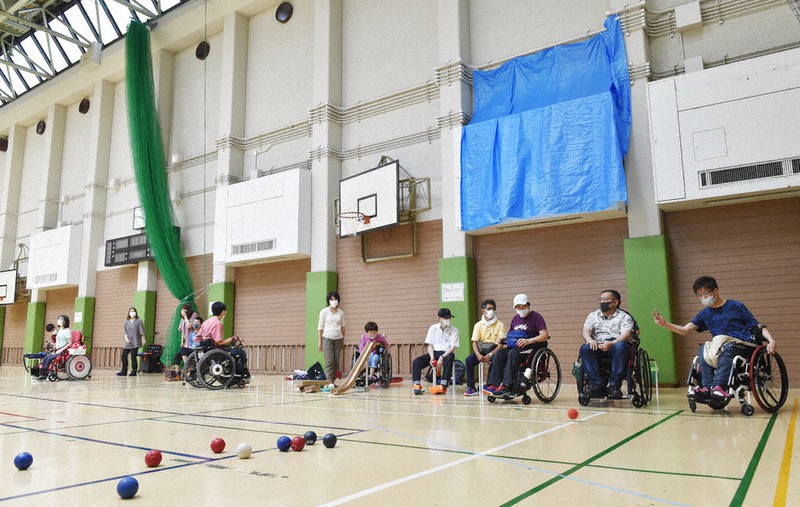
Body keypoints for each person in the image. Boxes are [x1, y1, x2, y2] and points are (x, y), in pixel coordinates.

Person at [653, 276, 776, 400]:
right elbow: (686, 330)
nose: (703, 298)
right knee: (704, 348)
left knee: (728, 348)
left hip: (743, 345)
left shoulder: (736, 306)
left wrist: (771, 341)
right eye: (699, 295)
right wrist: (665, 324)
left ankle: (720, 387)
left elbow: (756, 326)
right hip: (721, 346)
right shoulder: (705, 314)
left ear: (716, 291)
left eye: (705, 293)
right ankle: (707, 387)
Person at [483, 294, 548, 397]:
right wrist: (504, 339)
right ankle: (494, 385)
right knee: (500, 353)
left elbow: (544, 335)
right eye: (518, 307)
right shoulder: (515, 319)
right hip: (516, 346)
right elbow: (511, 335)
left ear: (528, 305)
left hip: (531, 347)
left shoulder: (536, 317)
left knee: (512, 353)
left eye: (522, 306)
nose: (520, 309)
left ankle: (507, 386)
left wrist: (529, 341)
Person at [579, 289, 634, 399]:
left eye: (606, 299)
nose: (602, 302)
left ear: (616, 302)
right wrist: (589, 339)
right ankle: (597, 384)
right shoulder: (593, 315)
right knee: (585, 348)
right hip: (598, 345)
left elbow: (626, 334)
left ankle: (614, 385)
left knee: (621, 346)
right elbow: (586, 331)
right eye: (601, 299)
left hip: (616, 345)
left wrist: (612, 343)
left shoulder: (624, 317)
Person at [411, 308, 460, 395]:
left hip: (446, 353)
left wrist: (442, 357)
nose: (447, 320)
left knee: (450, 357)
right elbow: (430, 345)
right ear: (440, 318)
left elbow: (452, 348)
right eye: (445, 318)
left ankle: (443, 385)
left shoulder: (454, 330)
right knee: (416, 362)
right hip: (434, 352)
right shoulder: (433, 328)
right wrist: (432, 357)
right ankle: (416, 384)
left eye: (449, 318)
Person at [464, 299, 506, 397]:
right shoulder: (478, 325)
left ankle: (490, 385)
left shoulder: (500, 325)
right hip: (481, 350)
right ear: (483, 310)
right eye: (489, 308)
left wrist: (490, 354)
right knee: (469, 360)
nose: (491, 311)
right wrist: (478, 355)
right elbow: (474, 342)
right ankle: (471, 387)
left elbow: (501, 345)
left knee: (496, 359)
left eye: (493, 309)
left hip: (494, 351)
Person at [199, 301, 248, 375]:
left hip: (205, 349)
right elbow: (219, 342)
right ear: (222, 312)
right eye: (225, 311)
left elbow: (198, 337)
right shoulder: (218, 324)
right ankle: (242, 373)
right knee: (240, 351)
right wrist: (233, 338)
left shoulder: (206, 322)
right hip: (215, 351)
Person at [318, 291, 346, 385]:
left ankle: (333, 381)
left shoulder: (341, 313)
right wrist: (320, 342)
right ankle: (329, 381)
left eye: (335, 299)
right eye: (332, 299)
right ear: (329, 301)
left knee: (335, 362)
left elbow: (343, 327)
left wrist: (343, 340)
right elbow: (320, 328)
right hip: (327, 338)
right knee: (329, 360)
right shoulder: (324, 312)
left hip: (338, 338)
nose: (334, 301)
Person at [38, 316, 72, 380]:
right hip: (57, 349)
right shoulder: (60, 331)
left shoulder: (67, 331)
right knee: (46, 357)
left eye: (61, 319)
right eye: (59, 319)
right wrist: (54, 345)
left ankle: (44, 374)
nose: (59, 320)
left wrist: (61, 349)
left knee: (49, 359)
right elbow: (59, 341)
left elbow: (70, 343)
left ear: (65, 321)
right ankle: (41, 372)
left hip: (63, 351)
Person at [119, 307, 145, 376]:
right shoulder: (126, 322)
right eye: (131, 311)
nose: (132, 312)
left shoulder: (139, 321)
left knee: (133, 357)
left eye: (133, 311)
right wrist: (126, 339)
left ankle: (134, 371)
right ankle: (124, 371)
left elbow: (141, 331)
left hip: (135, 342)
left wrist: (143, 339)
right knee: (123, 356)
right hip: (127, 342)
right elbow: (125, 332)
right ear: (128, 313)